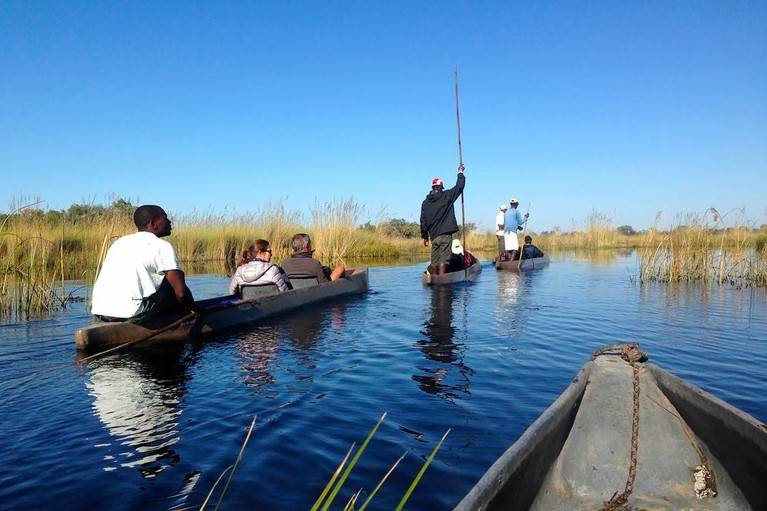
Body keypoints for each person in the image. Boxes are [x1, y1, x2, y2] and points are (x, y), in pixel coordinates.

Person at [91, 205, 195, 322]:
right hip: (132, 313)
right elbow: (180, 294)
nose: (170, 222)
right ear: (153, 223)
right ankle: (183, 317)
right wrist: (193, 309)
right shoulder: (162, 246)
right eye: (165, 218)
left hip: (100, 310)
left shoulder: (119, 243)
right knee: (173, 283)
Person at [420, 164, 465, 275]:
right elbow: (459, 186)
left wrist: (425, 237)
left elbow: (423, 221)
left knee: (434, 261)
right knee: (444, 259)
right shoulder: (447, 196)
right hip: (445, 235)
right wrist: (460, 172)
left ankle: (434, 279)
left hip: (434, 236)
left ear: (433, 188)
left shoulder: (425, 203)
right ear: (440, 187)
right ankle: (441, 279)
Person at [281, 233, 346, 282]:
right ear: (306, 246)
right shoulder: (315, 264)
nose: (311, 247)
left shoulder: (284, 264)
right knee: (340, 268)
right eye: (310, 245)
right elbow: (325, 285)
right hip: (317, 294)